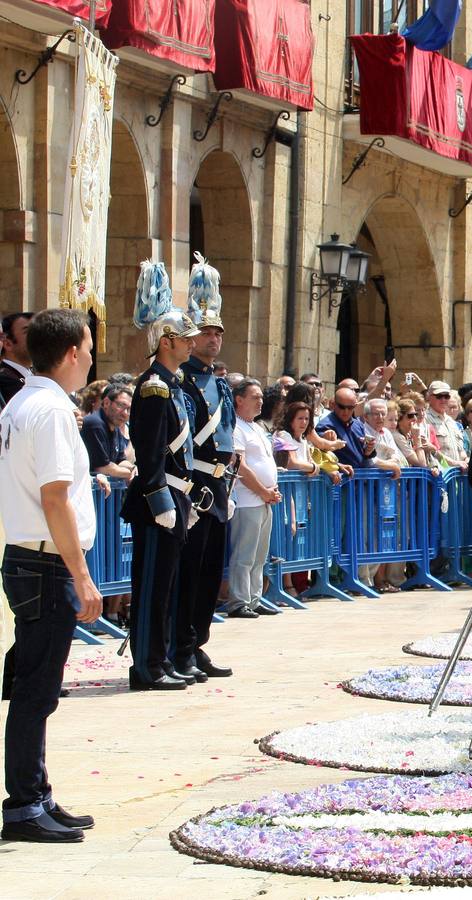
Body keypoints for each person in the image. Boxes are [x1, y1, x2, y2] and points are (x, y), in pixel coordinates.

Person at [0, 309, 101, 843]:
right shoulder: (52, 410)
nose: (90, 356)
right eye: (86, 346)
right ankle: (22, 804)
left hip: (31, 558)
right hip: (45, 562)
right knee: (36, 690)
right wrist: (81, 575)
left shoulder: (25, 400)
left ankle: (35, 794)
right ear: (68, 354)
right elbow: (55, 496)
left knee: (37, 688)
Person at [123, 261, 200, 690]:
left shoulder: (172, 385)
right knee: (152, 588)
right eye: (185, 339)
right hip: (159, 501)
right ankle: (146, 667)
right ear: (166, 342)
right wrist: (160, 498)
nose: (191, 345)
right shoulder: (154, 386)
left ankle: (161, 658)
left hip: (176, 497)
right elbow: (150, 450)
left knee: (166, 587)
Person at [173, 254, 237, 682]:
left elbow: (226, 436)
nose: (213, 339)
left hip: (219, 487)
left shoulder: (219, 381)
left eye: (217, 332)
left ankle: (198, 644)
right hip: (194, 485)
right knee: (189, 572)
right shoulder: (180, 380)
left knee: (211, 571)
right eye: (206, 332)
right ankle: (180, 647)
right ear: (190, 339)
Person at [226, 379, 280, 617]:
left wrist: (271, 490)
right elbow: (239, 465)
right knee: (244, 554)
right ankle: (238, 601)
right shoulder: (235, 427)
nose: (260, 401)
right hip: (247, 500)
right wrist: (262, 490)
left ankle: (254, 598)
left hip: (264, 499)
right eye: (254, 397)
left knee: (260, 555)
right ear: (239, 399)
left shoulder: (257, 427)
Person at [80, 383, 134, 481]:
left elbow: (120, 461)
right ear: (106, 403)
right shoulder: (94, 424)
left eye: (129, 409)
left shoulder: (115, 426)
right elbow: (103, 468)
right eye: (121, 405)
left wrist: (134, 468)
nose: (125, 413)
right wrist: (130, 473)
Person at [318, 386, 375, 470]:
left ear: (355, 406)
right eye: (342, 407)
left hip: (359, 480)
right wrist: (324, 442)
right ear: (334, 405)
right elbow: (319, 456)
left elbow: (364, 456)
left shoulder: (358, 425)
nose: (346, 411)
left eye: (350, 408)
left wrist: (368, 451)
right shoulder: (325, 426)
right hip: (339, 480)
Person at [425, 382, 469, 470]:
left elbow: (460, 451)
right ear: (429, 397)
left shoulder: (452, 422)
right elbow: (431, 452)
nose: (443, 400)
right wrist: (454, 464)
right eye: (439, 396)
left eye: (446, 396)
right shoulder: (425, 419)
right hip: (438, 477)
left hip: (455, 477)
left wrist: (466, 460)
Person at [0, 311, 33, 404]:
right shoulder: (4, 380)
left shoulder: (37, 373)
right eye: (28, 332)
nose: (37, 337)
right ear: (8, 344)